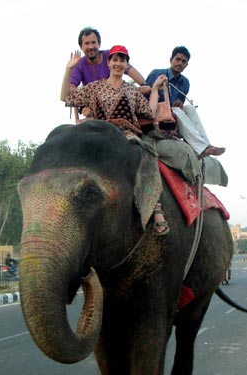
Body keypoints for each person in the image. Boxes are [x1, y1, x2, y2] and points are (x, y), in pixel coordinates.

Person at [61, 45, 169, 235]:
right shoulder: (95, 87)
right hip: (101, 135)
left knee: (147, 157)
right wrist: (69, 69)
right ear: (109, 62)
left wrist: (154, 90)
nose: (118, 64)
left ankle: (156, 209)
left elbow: (150, 112)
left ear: (126, 64)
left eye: (122, 60)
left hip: (128, 137)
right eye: (115, 60)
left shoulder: (132, 91)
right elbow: (66, 97)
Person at [146, 46, 225, 160]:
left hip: (173, 116)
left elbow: (180, 104)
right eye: (178, 59)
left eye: (184, 61)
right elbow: (145, 95)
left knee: (190, 109)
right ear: (171, 60)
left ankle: (206, 145)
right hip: (155, 113)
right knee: (177, 111)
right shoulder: (157, 73)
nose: (180, 63)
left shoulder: (185, 83)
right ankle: (201, 147)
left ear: (186, 65)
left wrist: (179, 103)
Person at [65, 27, 150, 96]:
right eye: (87, 43)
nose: (90, 46)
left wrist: (144, 85)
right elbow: (71, 88)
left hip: (118, 95)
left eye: (93, 42)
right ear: (81, 47)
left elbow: (130, 70)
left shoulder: (110, 55)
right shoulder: (80, 64)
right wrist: (86, 101)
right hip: (95, 101)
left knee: (153, 79)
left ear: (99, 44)